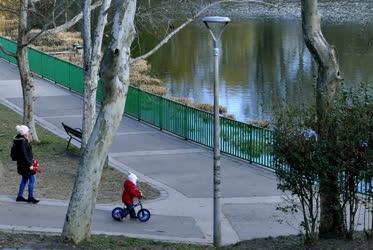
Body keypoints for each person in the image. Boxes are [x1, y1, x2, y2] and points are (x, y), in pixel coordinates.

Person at [14, 125, 39, 204]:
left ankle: (19, 196)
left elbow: (26, 154)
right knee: (32, 180)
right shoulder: (22, 141)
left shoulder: (19, 139)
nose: (28, 132)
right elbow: (24, 155)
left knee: (24, 180)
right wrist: (30, 164)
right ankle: (30, 197)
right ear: (24, 132)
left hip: (23, 164)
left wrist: (33, 161)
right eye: (27, 131)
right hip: (26, 165)